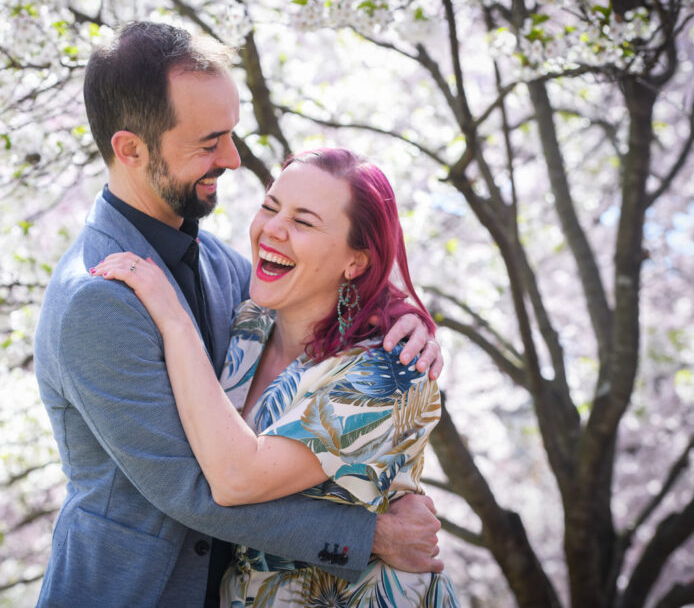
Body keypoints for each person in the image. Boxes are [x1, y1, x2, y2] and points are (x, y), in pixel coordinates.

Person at [33, 21, 445, 606]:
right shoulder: (96, 298)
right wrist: (371, 535)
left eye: (230, 134)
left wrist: (400, 315)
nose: (231, 158)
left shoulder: (225, 267)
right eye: (208, 143)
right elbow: (192, 487)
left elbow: (319, 293)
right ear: (131, 149)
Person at [94, 147, 459, 606]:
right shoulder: (251, 322)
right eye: (270, 206)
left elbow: (236, 478)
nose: (273, 229)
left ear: (357, 260)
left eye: (304, 222)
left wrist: (174, 319)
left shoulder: (389, 373)